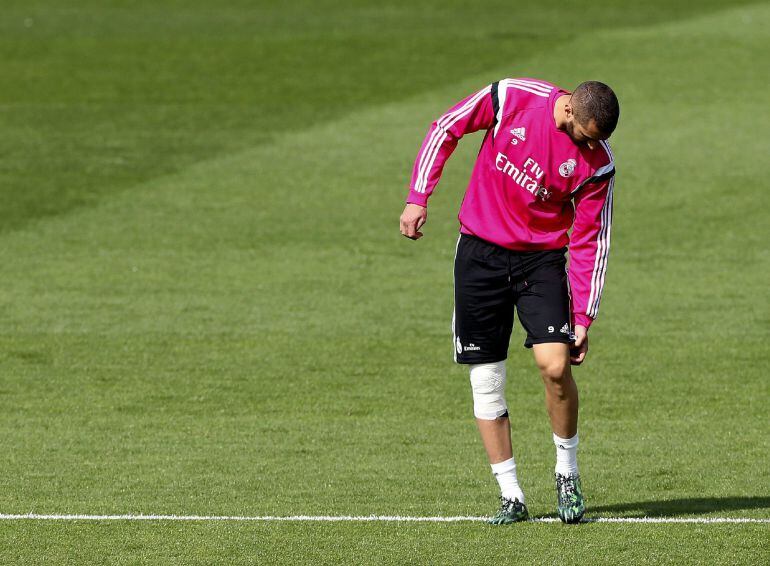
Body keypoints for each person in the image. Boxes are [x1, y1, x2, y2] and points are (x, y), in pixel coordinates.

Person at [399, 78, 619, 524]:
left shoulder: (597, 165)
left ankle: (567, 473)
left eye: (599, 142)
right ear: (571, 111)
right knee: (487, 381)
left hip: (540, 263)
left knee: (556, 367)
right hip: (479, 253)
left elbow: (591, 240)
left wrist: (583, 316)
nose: (591, 147)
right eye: (587, 136)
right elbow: (446, 128)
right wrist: (418, 197)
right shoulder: (512, 97)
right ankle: (511, 495)